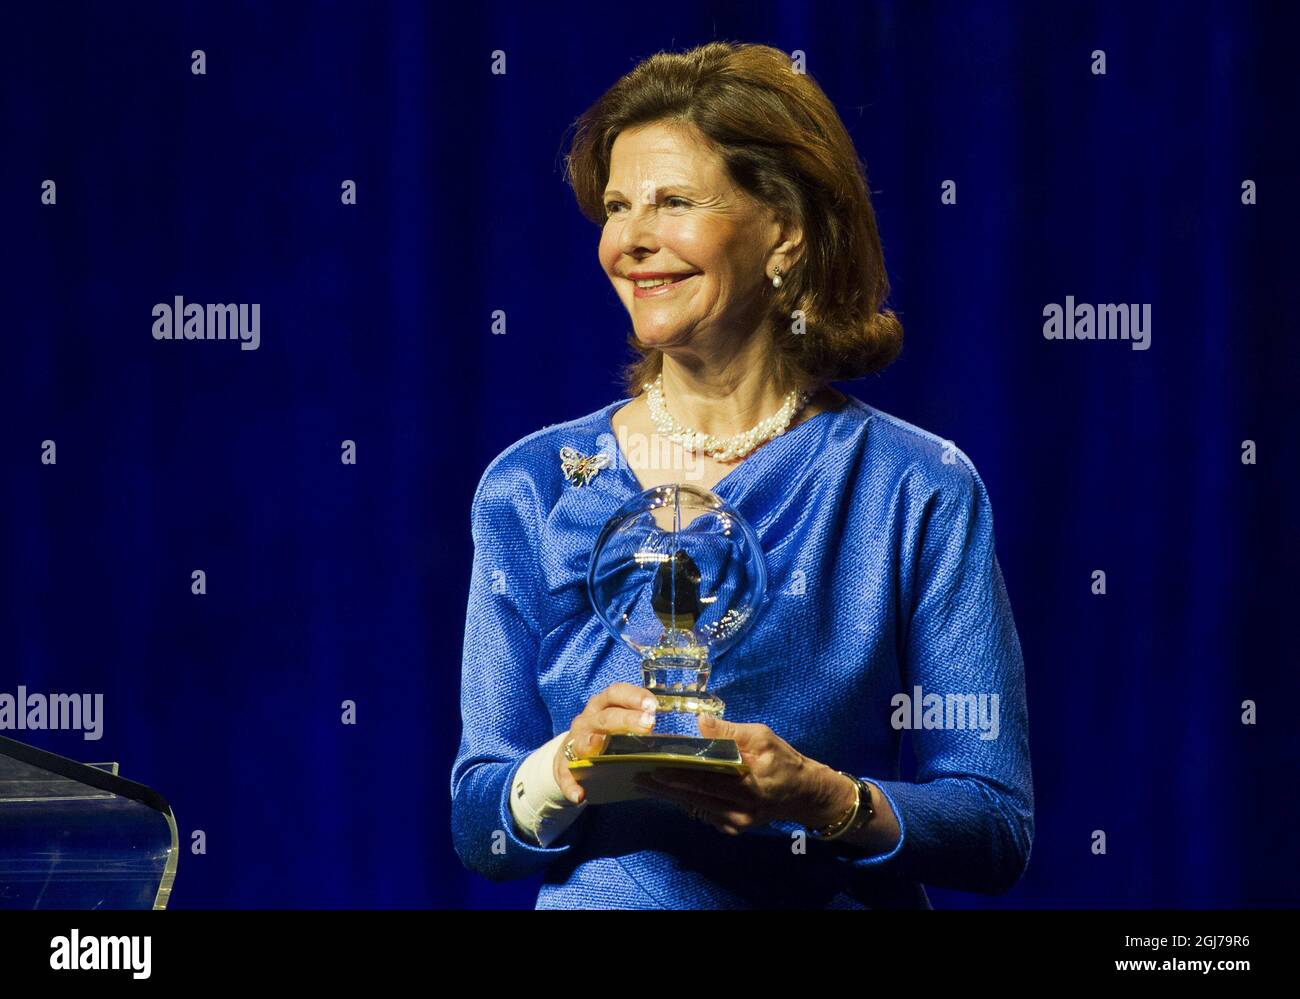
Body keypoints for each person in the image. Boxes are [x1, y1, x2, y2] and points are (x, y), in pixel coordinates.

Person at [450, 41, 1032, 909]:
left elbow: (995, 827)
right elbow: (478, 826)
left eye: (674, 202)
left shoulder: (918, 485)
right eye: (617, 207)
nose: (632, 241)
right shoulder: (531, 486)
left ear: (785, 230)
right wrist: (563, 766)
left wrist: (825, 798)